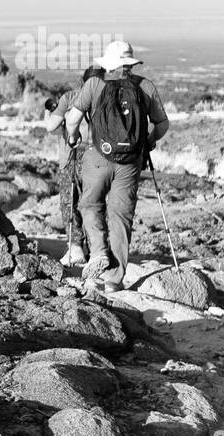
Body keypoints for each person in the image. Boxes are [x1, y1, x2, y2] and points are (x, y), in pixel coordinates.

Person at [63, 41, 170, 292]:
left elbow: (73, 119)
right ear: (131, 63)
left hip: (98, 158)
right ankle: (113, 280)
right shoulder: (146, 86)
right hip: (130, 163)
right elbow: (162, 125)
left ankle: (99, 250)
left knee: (90, 204)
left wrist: (72, 137)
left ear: (108, 63)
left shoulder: (94, 84)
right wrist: (147, 142)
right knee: (121, 216)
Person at [41, 65, 104, 266]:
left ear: (83, 82)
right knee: (93, 203)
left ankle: (76, 247)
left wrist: (47, 113)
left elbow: (51, 127)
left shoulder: (70, 97)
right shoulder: (108, 97)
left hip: (71, 156)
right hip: (99, 158)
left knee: (70, 202)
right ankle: (97, 249)